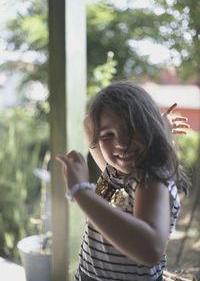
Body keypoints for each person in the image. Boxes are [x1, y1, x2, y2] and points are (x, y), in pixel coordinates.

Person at [56, 81, 190, 281]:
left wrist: (82, 192)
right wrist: (157, 126)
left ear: (149, 128)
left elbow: (150, 249)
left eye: (130, 128)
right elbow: (88, 123)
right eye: (108, 135)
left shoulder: (150, 179)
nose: (120, 143)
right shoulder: (113, 171)